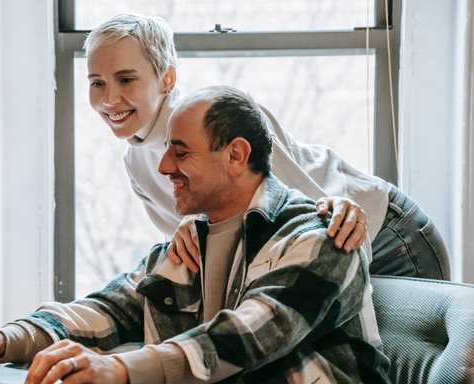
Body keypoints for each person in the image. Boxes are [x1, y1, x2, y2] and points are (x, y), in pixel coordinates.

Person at [0, 86, 390, 383]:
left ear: (237, 155)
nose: (164, 168)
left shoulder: (321, 236)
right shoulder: (188, 242)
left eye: (181, 152)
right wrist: (0, 340)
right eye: (166, 151)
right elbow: (108, 308)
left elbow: (246, 336)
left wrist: (117, 369)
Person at [85, 13, 450, 279]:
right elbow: (200, 253)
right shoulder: (136, 162)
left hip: (386, 235)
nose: (109, 99)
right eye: (97, 83)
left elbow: (308, 211)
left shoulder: (224, 118)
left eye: (126, 79)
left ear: (167, 78)